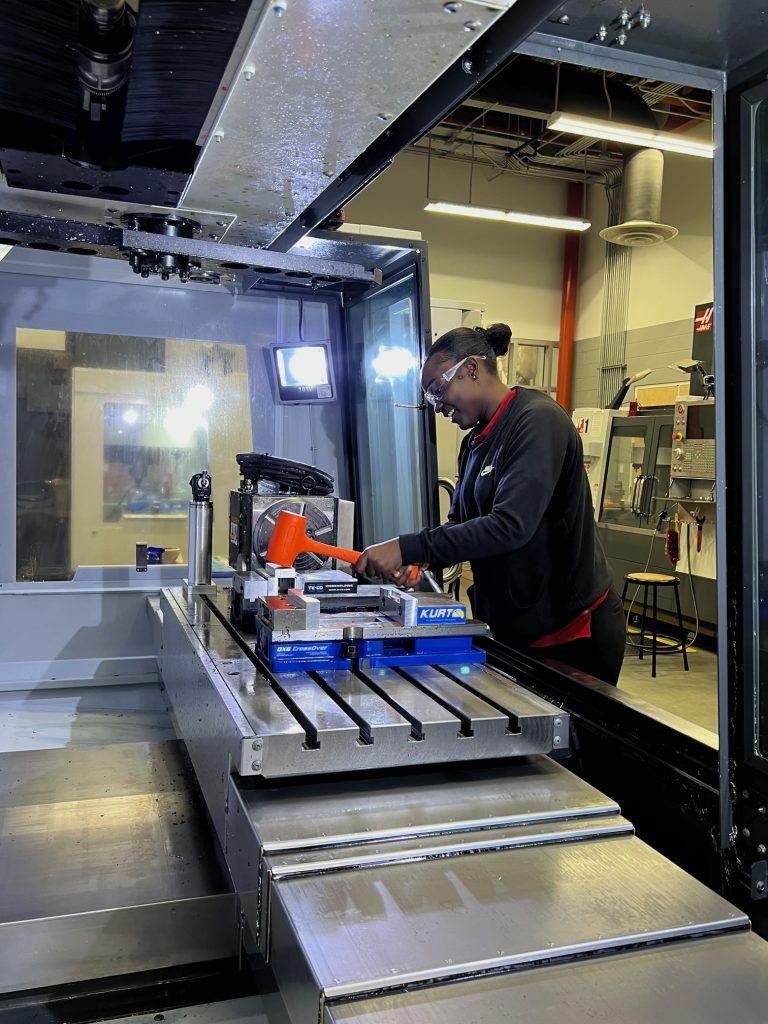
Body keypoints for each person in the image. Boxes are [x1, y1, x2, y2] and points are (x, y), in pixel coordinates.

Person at [354, 322, 626, 686]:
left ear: (471, 369)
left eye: (438, 390)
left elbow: (509, 526)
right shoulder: (475, 443)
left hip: (572, 633)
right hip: (515, 630)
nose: (437, 407)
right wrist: (420, 557)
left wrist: (407, 546)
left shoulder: (537, 421)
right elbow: (462, 525)